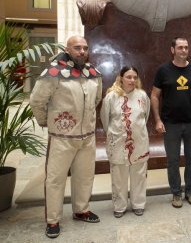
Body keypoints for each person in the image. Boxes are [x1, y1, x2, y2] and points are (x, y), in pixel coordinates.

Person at [30, 36, 102, 239]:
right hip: (62, 137)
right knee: (55, 179)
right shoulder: (53, 73)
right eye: (77, 47)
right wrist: (47, 122)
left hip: (87, 136)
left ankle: (81, 210)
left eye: (85, 48)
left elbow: (97, 99)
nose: (82, 51)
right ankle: (53, 220)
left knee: (85, 176)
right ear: (68, 49)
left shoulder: (93, 73)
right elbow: (37, 101)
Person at [150, 37, 191, 208]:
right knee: (173, 161)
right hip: (171, 125)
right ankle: (176, 193)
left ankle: (190, 192)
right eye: (180, 47)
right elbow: (154, 95)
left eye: (186, 47)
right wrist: (158, 120)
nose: (184, 50)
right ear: (172, 50)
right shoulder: (163, 70)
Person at [100, 66, 150, 218]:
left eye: (135, 77)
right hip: (117, 142)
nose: (132, 80)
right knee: (118, 176)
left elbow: (145, 117)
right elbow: (105, 119)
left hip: (139, 141)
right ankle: (119, 206)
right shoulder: (111, 97)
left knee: (139, 175)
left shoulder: (142, 95)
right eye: (128, 77)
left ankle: (138, 204)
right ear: (121, 78)